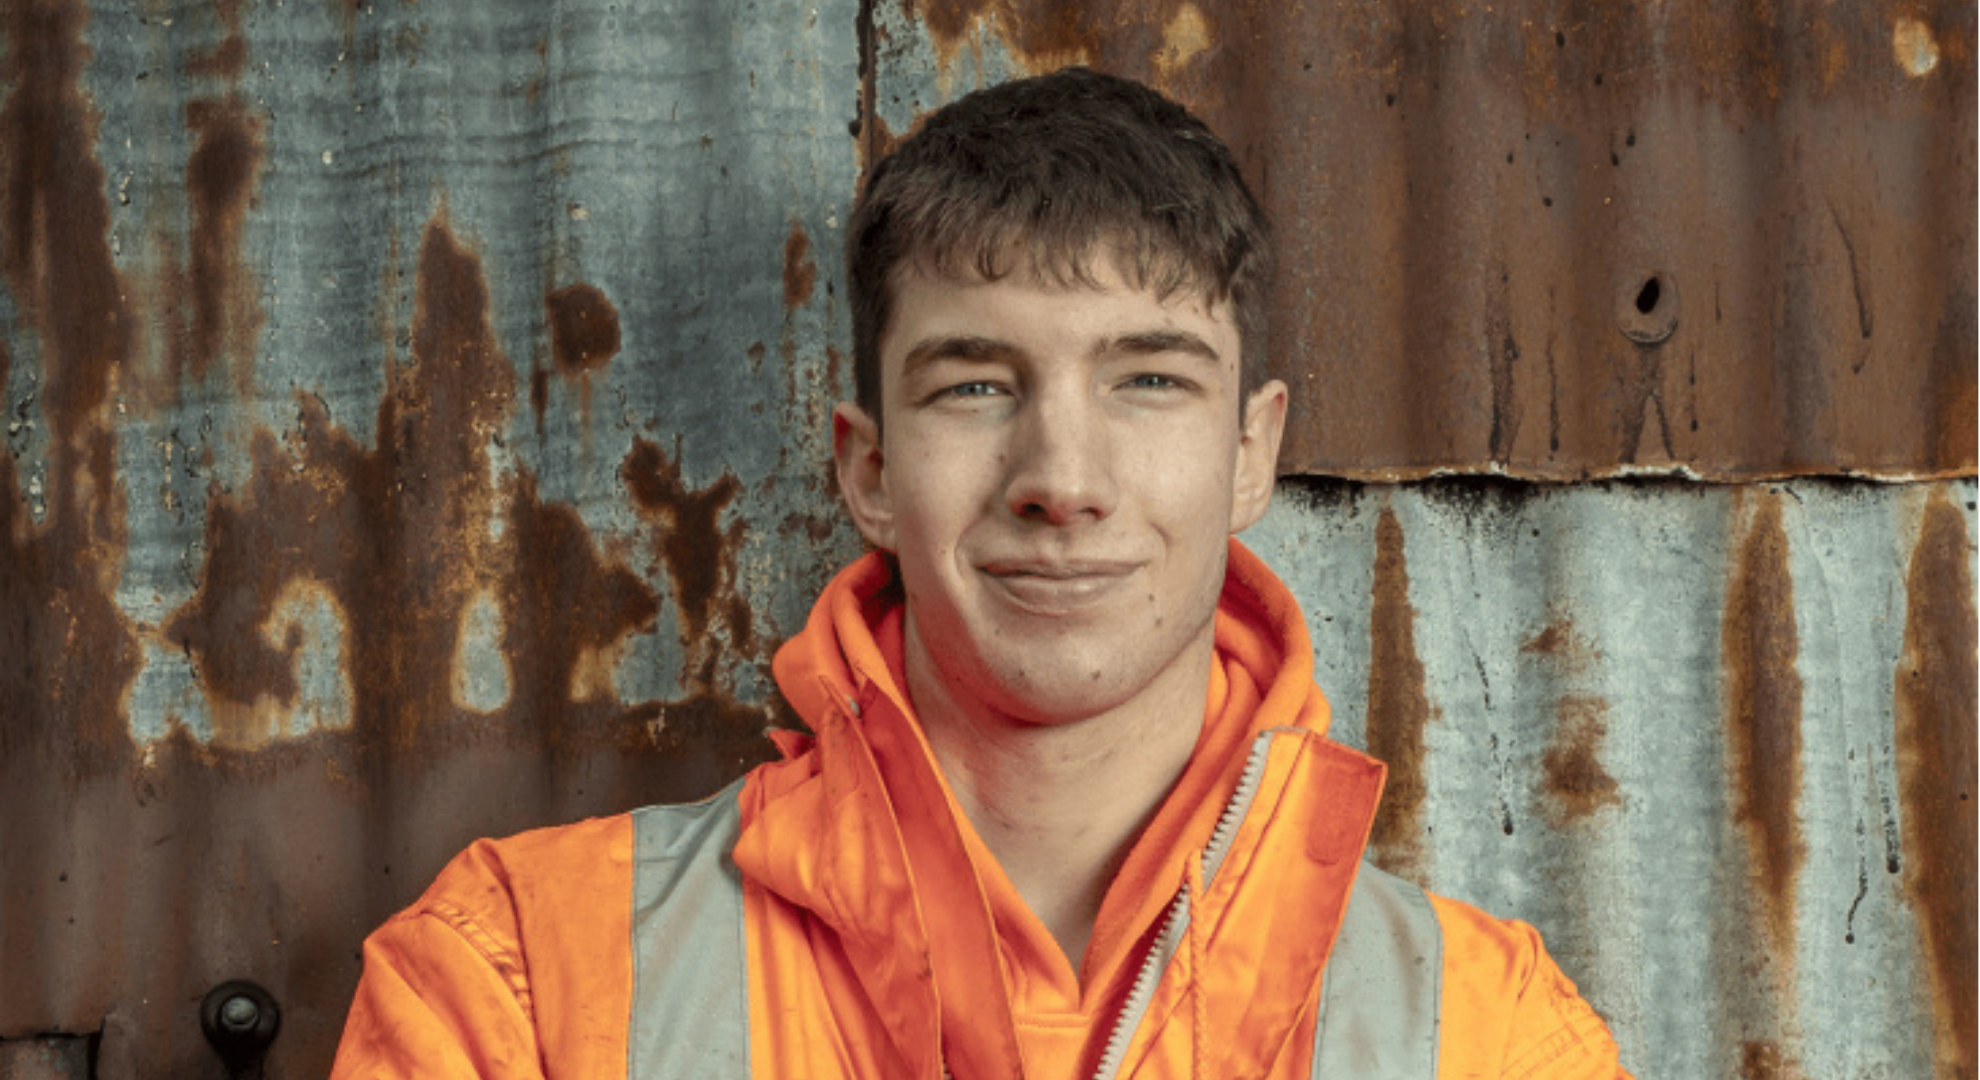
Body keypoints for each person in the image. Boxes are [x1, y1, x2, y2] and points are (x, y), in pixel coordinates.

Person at [330, 67, 1632, 1079]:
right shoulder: (520, 984)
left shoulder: (1490, 1034)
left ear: (1252, 451)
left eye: (1149, 381)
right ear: (868, 470)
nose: (1061, 475)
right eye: (974, 384)